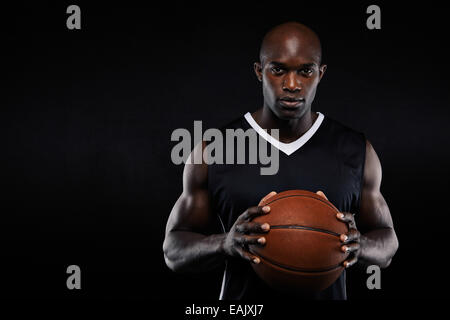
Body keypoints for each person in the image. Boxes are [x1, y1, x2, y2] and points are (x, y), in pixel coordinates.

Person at [163, 22, 398, 300]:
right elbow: (173, 251)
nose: (291, 85)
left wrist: (362, 246)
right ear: (259, 72)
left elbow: (388, 244)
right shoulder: (215, 149)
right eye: (278, 70)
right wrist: (224, 243)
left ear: (320, 74)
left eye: (305, 71)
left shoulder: (356, 150)